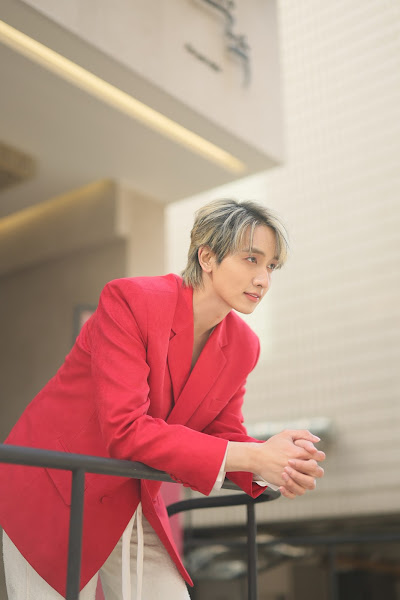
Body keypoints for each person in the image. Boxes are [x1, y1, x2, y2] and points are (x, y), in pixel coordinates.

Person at [0, 199, 325, 600]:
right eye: (251, 259)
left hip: (133, 500)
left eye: (271, 266)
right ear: (207, 257)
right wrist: (254, 457)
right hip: (55, 489)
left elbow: (223, 432)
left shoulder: (244, 345)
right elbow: (126, 428)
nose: (263, 280)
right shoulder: (131, 300)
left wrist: (276, 462)